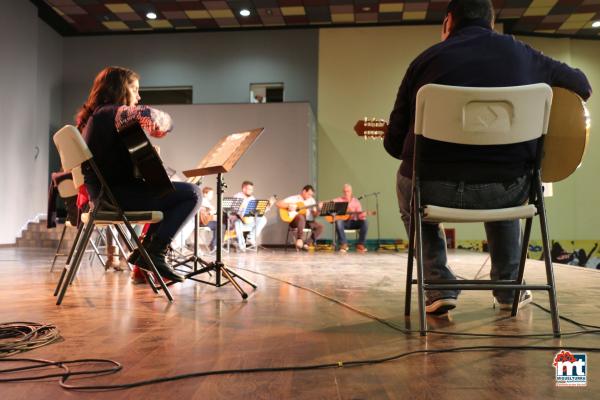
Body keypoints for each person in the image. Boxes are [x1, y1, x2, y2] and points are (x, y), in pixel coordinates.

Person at [384, 0, 592, 315]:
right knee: (513, 178)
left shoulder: (423, 62)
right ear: (491, 22)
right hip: (505, 192)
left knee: (405, 184)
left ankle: (438, 286)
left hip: (434, 190)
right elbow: (583, 86)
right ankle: (508, 287)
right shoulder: (523, 54)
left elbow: (393, 145)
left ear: (448, 21)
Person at [78, 66, 202, 283]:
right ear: (120, 88)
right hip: (117, 197)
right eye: (135, 89)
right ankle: (154, 252)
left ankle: (148, 252)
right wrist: (161, 123)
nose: (139, 95)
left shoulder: (96, 118)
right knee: (193, 193)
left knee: (168, 193)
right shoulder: (112, 112)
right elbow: (152, 115)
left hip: (106, 196)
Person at [277, 185, 323, 250]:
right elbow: (278, 203)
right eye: (309, 194)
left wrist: (319, 209)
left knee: (320, 227)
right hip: (295, 221)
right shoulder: (294, 198)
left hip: (308, 221)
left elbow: (314, 215)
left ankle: (307, 243)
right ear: (304, 191)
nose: (310, 196)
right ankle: (299, 239)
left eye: (311, 195)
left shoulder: (311, 200)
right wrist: (289, 205)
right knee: (301, 216)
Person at [333, 184, 368, 253]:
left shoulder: (356, 201)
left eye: (348, 191)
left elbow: (360, 216)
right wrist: (320, 204)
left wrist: (363, 215)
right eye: (345, 191)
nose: (346, 193)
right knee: (338, 222)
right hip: (344, 222)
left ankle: (360, 244)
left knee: (365, 222)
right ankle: (343, 244)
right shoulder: (339, 200)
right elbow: (330, 203)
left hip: (353, 222)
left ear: (351, 192)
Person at [199, 186, 219, 251]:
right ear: (205, 194)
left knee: (219, 225)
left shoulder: (205, 201)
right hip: (203, 223)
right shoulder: (203, 201)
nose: (212, 196)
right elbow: (211, 210)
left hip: (204, 222)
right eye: (210, 194)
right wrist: (211, 212)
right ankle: (214, 245)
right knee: (220, 225)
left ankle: (213, 244)